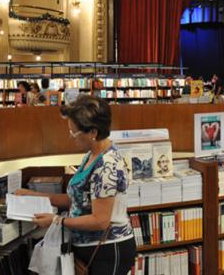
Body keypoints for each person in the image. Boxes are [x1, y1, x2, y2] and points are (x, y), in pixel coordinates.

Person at [16, 95, 135, 274]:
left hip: (107, 250)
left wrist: (57, 221)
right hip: (92, 249)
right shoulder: (92, 155)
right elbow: (77, 200)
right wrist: (35, 196)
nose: (71, 136)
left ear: (93, 132)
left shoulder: (107, 165)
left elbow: (100, 221)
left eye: (74, 132)